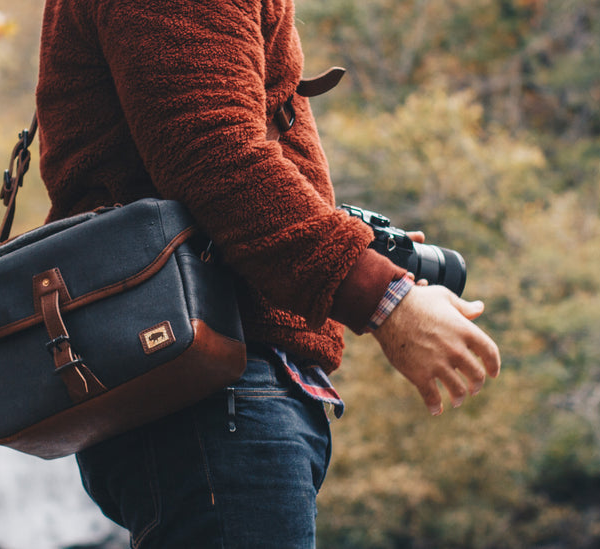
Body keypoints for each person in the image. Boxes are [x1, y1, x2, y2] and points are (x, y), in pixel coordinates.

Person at [35, 0, 501, 546]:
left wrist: (350, 239)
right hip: (213, 392)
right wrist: (386, 300)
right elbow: (213, 154)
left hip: (210, 391)